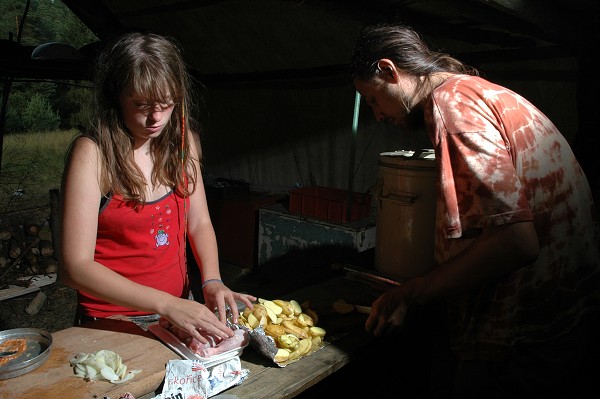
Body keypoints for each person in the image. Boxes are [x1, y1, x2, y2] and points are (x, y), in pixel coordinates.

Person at [350, 23, 600, 397]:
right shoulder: (474, 91)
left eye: (373, 99)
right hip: (566, 311)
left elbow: (517, 241)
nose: (378, 115)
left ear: (389, 70)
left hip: (529, 331)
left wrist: (414, 293)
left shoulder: (453, 109)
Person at [59, 31, 255, 344]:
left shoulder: (183, 142)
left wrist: (213, 279)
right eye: (141, 105)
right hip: (113, 320)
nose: (156, 118)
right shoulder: (93, 154)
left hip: (178, 312)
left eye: (166, 104)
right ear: (115, 96)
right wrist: (166, 303)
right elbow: (75, 266)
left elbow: (199, 222)